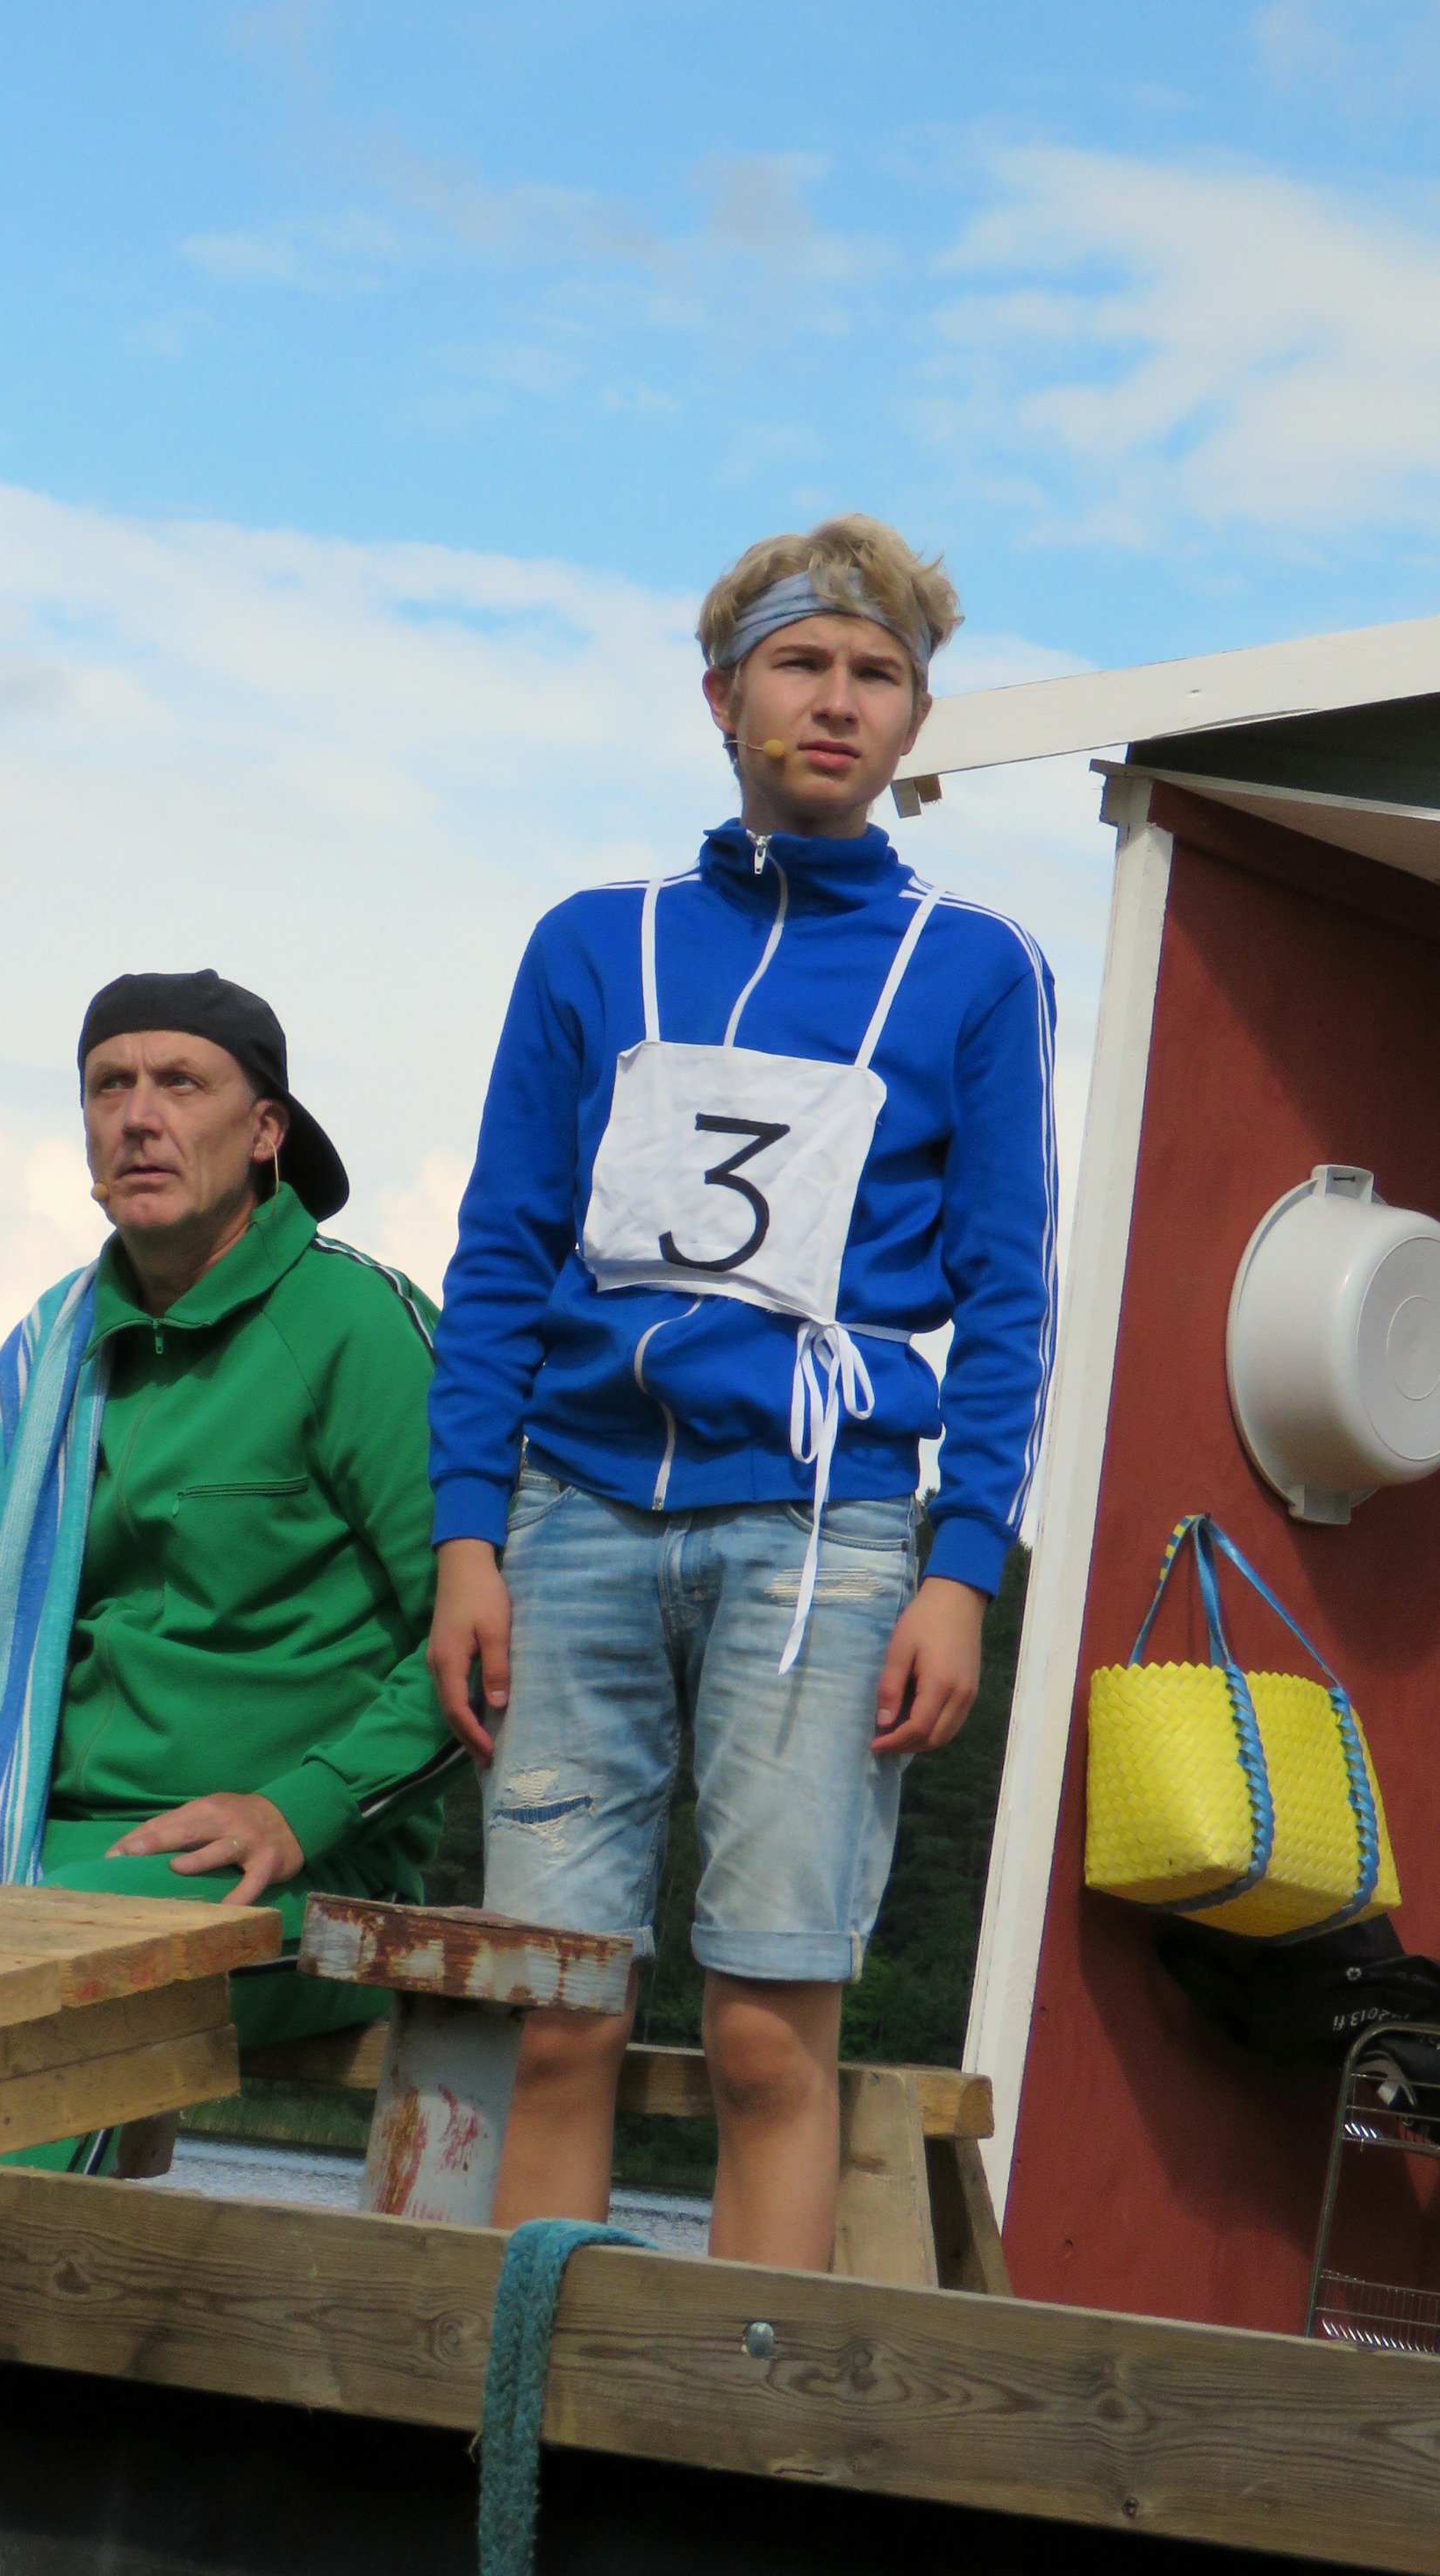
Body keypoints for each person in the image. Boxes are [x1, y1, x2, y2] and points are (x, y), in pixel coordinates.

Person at [426, 517, 1056, 2269]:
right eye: (802, 665)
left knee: (771, 2035)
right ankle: (523, 2398)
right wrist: (467, 1538)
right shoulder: (591, 944)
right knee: (556, 2012)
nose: (837, 701)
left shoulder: (976, 967)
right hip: (571, 1520)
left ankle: (743, 2397)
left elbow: (1012, 1299)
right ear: (723, 698)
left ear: (913, 719)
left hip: (825, 1541)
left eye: (877, 675)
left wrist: (961, 1566)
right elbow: (500, 1254)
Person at [0, 969, 455, 2161]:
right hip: (15, 1828)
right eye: (109, 1086)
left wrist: (301, 1808)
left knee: (36, 1974)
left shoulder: (357, 1325)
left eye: (182, 1084)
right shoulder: (49, 1354)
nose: (140, 1116)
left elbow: (485, 1639)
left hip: (283, 1875)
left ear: (265, 1130)